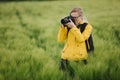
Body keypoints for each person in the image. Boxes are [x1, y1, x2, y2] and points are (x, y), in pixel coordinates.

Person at [57, 7, 93, 80]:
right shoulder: (68, 26)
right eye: (71, 17)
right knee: (63, 77)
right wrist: (63, 28)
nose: (73, 19)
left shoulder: (87, 26)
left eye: (75, 17)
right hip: (65, 57)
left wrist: (73, 27)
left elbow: (81, 39)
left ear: (81, 17)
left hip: (79, 59)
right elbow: (60, 39)